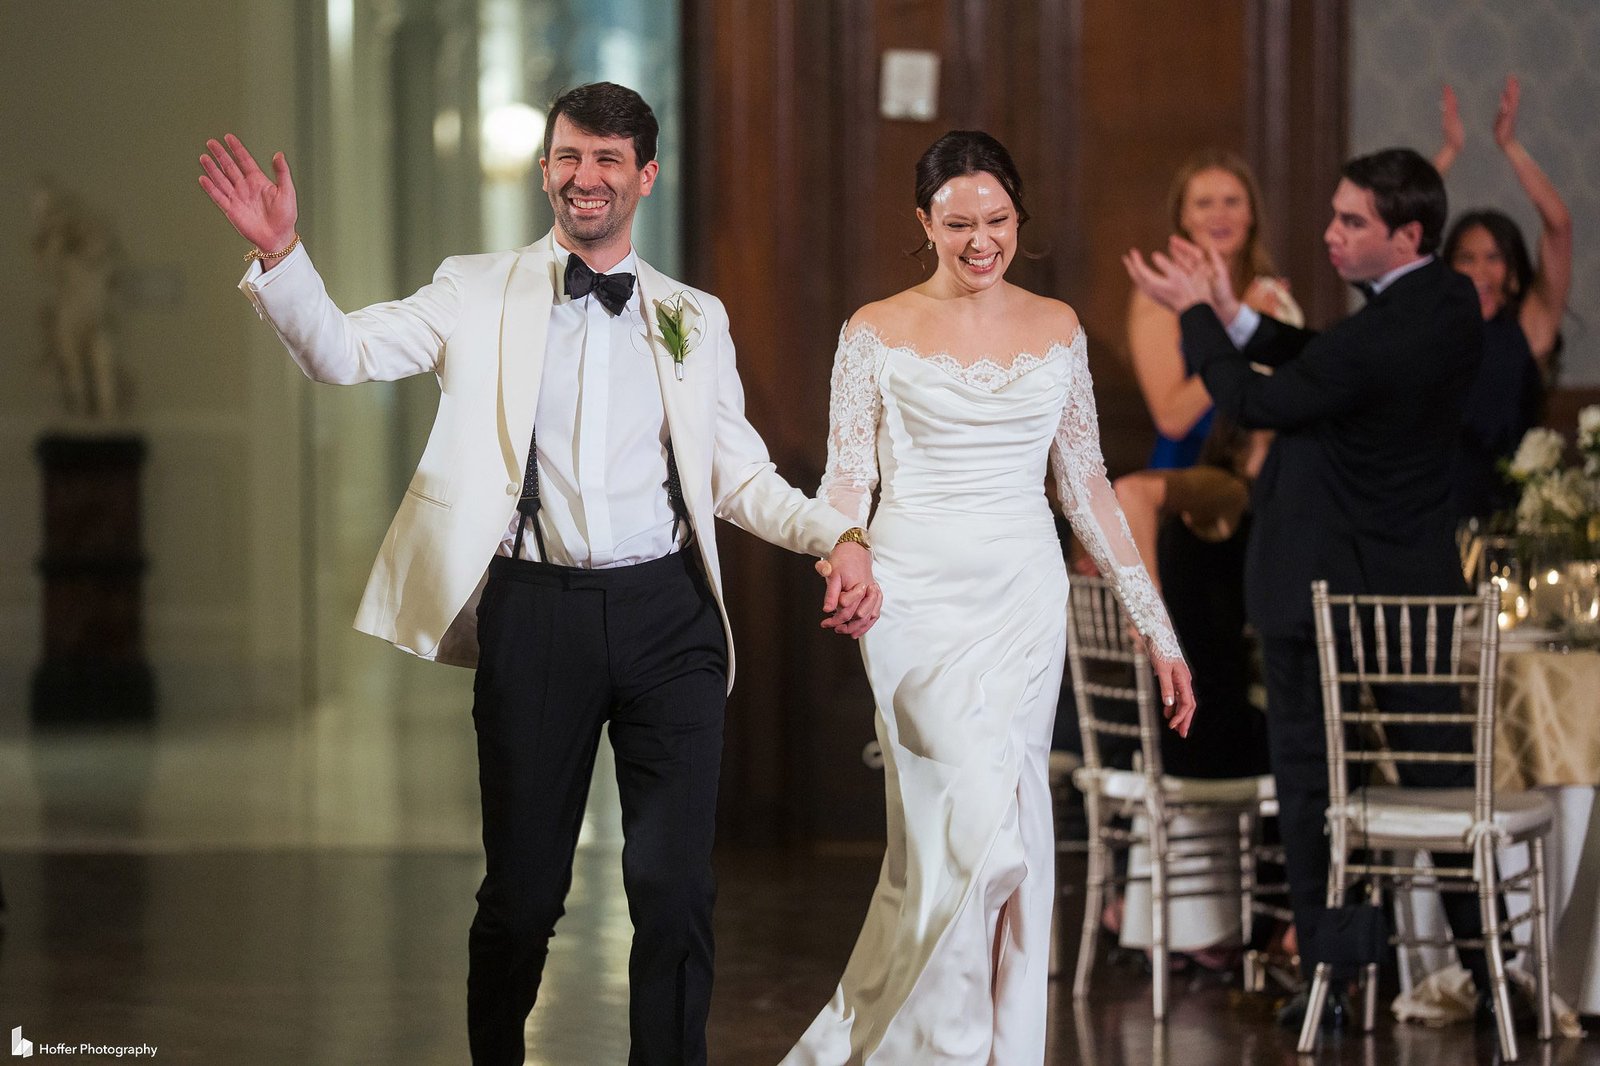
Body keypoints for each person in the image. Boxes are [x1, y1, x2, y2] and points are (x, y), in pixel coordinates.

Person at [198, 82, 880, 1066]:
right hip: (536, 612)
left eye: (607, 159)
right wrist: (282, 255)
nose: (584, 176)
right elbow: (342, 354)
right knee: (522, 898)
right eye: (568, 156)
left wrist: (838, 535)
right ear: (545, 168)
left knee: (674, 888)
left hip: (670, 617)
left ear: (646, 175)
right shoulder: (473, 289)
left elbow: (738, 476)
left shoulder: (694, 316)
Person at [782, 130, 1193, 1064]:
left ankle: (989, 1048)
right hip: (912, 599)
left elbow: (1086, 487)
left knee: (1011, 832)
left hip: (1022, 599)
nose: (981, 241)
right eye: (959, 223)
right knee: (959, 828)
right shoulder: (873, 329)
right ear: (923, 224)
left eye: (997, 220)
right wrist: (842, 555)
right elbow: (848, 479)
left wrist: (1155, 626)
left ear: (1019, 218)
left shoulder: (1058, 326)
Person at [1125, 147, 1497, 1027]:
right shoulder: (1443, 301)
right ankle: (1487, 972)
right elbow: (1327, 353)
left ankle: (1335, 984)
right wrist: (1235, 318)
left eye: (1351, 221)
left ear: (1407, 234)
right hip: (1405, 593)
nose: (1330, 234)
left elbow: (1253, 405)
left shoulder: (1389, 331)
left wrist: (1200, 316)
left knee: (1313, 790)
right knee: (1437, 784)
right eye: (1333, 214)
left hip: (1317, 585)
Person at [1434, 77, 1573, 520]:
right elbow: (1400, 228)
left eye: (1493, 258)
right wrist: (1449, 151)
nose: (1479, 271)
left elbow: (1559, 227)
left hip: (1510, 514)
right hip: (1434, 507)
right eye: (1466, 258)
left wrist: (1509, 145)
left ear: (1512, 272)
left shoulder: (1530, 326)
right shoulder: (1432, 326)